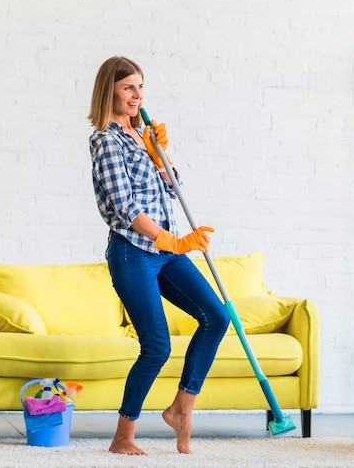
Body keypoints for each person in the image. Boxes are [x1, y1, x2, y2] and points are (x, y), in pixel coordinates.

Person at [88, 56, 229, 456]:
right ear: (110, 90)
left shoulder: (140, 136)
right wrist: (174, 242)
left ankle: (181, 409)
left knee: (216, 317)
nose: (137, 95)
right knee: (156, 345)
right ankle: (123, 437)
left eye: (141, 87)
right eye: (129, 87)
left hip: (164, 251)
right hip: (134, 253)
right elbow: (125, 206)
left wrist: (159, 154)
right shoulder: (106, 139)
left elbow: (172, 190)